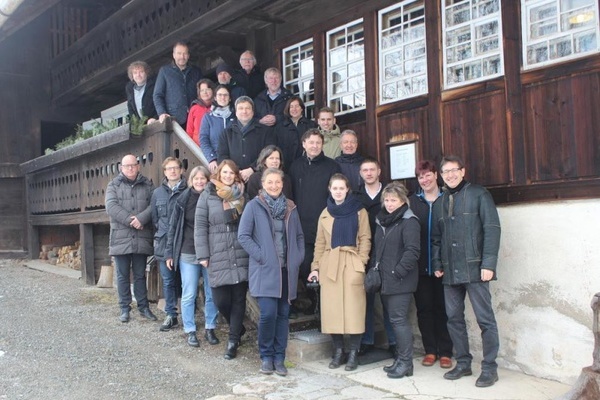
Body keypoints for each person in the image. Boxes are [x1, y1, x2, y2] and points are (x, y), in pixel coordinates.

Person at [431, 155, 501, 388]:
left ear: (463, 171)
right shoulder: (440, 202)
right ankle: (463, 362)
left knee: (485, 320)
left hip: (476, 268)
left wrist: (488, 264)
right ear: (441, 175)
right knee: (454, 319)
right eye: (445, 172)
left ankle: (490, 368)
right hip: (450, 271)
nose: (450, 175)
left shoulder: (479, 194)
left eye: (454, 170)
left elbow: (492, 229)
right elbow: (436, 238)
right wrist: (438, 264)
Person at [238, 168, 305, 376]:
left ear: (282, 184)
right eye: (270, 182)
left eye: (277, 182)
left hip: (286, 270)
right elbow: (243, 236)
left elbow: (300, 237)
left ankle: (279, 357)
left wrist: (297, 258)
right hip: (265, 269)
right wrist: (262, 256)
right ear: (263, 184)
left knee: (283, 315)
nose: (274, 186)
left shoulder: (291, 207)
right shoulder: (253, 206)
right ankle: (266, 356)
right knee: (268, 314)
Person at [308, 173, 371, 371]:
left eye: (341, 188)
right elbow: (319, 243)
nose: (338, 192)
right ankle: (338, 351)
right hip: (330, 264)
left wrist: (361, 263)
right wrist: (315, 268)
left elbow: (365, 238)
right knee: (332, 310)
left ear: (347, 190)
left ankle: (353, 352)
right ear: (330, 190)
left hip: (352, 262)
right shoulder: (325, 213)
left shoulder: (359, 211)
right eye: (334, 188)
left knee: (354, 310)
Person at [195, 160, 249, 360]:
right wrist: (203, 255)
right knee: (221, 300)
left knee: (239, 299)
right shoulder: (207, 195)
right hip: (217, 253)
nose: (228, 176)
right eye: (224, 172)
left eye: (232, 173)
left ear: (236, 175)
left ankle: (233, 340)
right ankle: (238, 328)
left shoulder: (243, 195)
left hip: (240, 250)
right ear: (218, 174)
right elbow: (200, 227)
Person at [165, 166, 220, 347]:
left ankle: (210, 327)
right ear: (191, 180)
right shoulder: (183, 199)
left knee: (212, 292)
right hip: (188, 252)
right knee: (189, 293)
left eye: (202, 178)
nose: (199, 182)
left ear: (208, 180)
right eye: (196, 179)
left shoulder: (214, 197)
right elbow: (172, 228)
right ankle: (190, 330)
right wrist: (169, 253)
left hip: (210, 252)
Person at [289, 129, 341, 315]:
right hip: (301, 226)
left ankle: (322, 308)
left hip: (325, 226)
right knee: (304, 266)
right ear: (304, 144)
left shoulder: (332, 167)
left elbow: (336, 195)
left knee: (323, 268)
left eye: (318, 143)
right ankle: (309, 302)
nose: (314, 146)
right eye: (311, 142)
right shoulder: (295, 167)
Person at [372, 182, 420, 379]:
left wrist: (397, 272)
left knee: (399, 321)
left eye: (394, 200)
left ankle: (406, 363)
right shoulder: (384, 220)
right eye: (387, 200)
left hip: (400, 281)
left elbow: (412, 251)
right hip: (386, 280)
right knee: (393, 320)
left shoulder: (409, 221)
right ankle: (400, 360)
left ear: (403, 201)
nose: (390, 204)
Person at [409, 160, 453, 369]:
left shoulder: (448, 199)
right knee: (424, 309)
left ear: (436, 175)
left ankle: (445, 352)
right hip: (419, 267)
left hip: (443, 266)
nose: (424, 180)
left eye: (427, 175)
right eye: (420, 177)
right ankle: (430, 350)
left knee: (443, 309)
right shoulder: (413, 202)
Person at [105, 154, 157, 323]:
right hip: (121, 236)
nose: (130, 168)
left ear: (138, 166)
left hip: (141, 236)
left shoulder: (147, 185)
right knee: (122, 275)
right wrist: (132, 221)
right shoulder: (113, 185)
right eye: (127, 166)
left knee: (140, 274)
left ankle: (143, 307)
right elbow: (111, 207)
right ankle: (124, 308)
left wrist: (142, 218)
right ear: (121, 167)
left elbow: (154, 204)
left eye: (133, 165)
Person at [354, 158, 397, 357]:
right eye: (365, 170)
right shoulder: (355, 196)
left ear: (379, 171)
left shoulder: (390, 194)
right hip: (364, 252)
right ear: (360, 173)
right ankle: (367, 340)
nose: (369, 173)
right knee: (366, 299)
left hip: (387, 251)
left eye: (372, 169)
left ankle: (394, 341)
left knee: (389, 299)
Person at [150, 157, 186, 332]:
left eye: (175, 168)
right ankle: (171, 314)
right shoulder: (157, 193)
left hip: (184, 243)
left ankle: (187, 314)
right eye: (169, 169)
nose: (172, 171)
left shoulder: (188, 191)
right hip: (164, 243)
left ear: (181, 170)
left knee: (186, 281)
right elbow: (155, 220)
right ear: (164, 172)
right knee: (168, 280)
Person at [218, 96, 276, 182]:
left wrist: (252, 169)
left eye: (247, 108)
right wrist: (236, 172)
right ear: (236, 112)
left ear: (252, 112)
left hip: (259, 177)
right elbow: (222, 156)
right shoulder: (226, 133)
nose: (244, 111)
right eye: (240, 108)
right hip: (233, 178)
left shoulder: (266, 131)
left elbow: (268, 154)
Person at [153, 41, 203, 126]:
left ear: (188, 56)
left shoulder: (196, 71)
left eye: (185, 54)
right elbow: (157, 95)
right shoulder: (165, 71)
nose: (182, 57)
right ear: (174, 55)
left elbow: (201, 92)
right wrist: (162, 113)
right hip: (174, 119)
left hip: (194, 117)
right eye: (179, 53)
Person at [274, 96, 317, 171]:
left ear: (301, 108)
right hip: (286, 167)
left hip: (306, 165)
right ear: (288, 109)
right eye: (291, 107)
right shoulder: (280, 127)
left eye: (297, 106)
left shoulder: (311, 125)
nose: (294, 109)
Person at [200, 85, 235, 174]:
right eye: (219, 95)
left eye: (225, 95)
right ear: (215, 98)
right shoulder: (208, 117)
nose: (222, 97)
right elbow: (204, 139)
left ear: (230, 98)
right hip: (216, 161)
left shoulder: (236, 116)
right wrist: (211, 158)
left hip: (234, 160)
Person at [186, 79, 215, 144]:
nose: (205, 92)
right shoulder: (194, 108)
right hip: (197, 147)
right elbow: (189, 131)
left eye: (207, 89)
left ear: (213, 90)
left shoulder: (218, 107)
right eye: (202, 90)